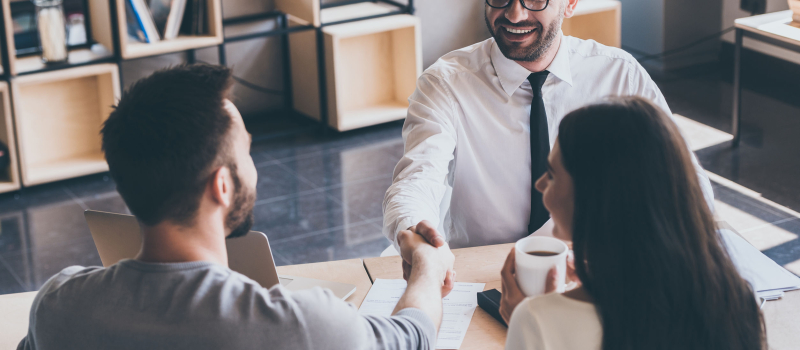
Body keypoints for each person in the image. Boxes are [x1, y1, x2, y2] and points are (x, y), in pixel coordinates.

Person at [18, 64, 456, 350]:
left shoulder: (58, 305)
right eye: (246, 151)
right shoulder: (302, 328)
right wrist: (428, 269)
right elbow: (411, 337)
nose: (255, 166)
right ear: (222, 185)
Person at [382, 0, 714, 251]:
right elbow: (416, 179)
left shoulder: (619, 75)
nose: (514, 14)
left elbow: (684, 181)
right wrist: (414, 233)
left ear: (570, 3)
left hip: (591, 265)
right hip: (481, 268)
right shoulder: (445, 83)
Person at [498, 97, 765, 350]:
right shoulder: (738, 301)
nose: (539, 183)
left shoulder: (537, 319)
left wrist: (526, 325)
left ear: (598, 199)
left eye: (553, 175)